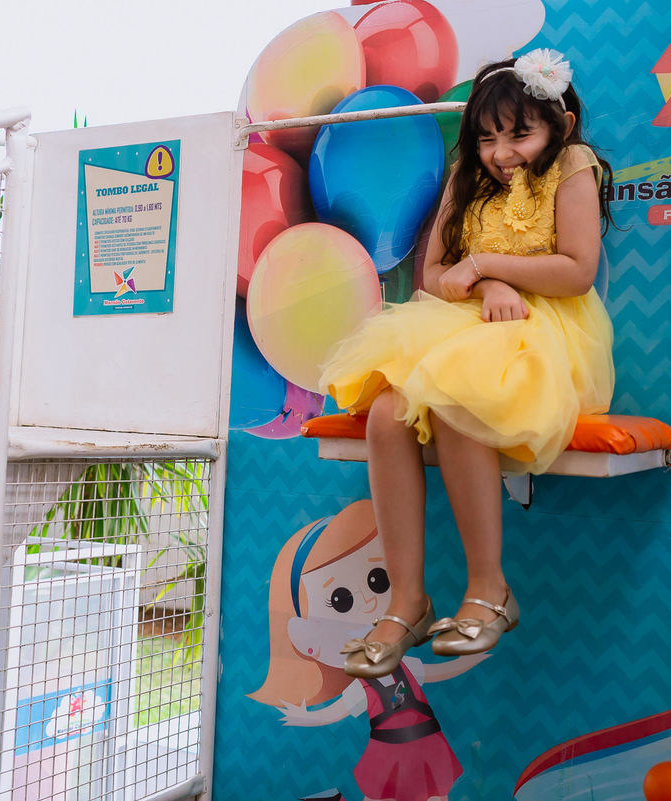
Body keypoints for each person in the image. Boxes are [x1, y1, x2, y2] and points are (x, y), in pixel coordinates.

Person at [319, 50, 616, 679]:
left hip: (543, 330)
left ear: (559, 125)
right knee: (387, 412)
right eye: (486, 138)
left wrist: (485, 266)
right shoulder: (466, 177)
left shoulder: (572, 165)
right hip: (469, 320)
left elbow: (577, 270)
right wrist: (486, 286)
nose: (501, 153)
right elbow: (433, 275)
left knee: (458, 397)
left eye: (519, 135)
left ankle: (490, 587)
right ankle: (407, 601)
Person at [249, 500, 488, 801]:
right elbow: (335, 712)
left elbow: (439, 672)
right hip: (389, 749)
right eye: (340, 600)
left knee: (435, 796)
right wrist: (305, 716)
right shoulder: (362, 686)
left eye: (378, 580)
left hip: (426, 741)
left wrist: (471, 659)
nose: (370, 601)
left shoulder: (405, 666)